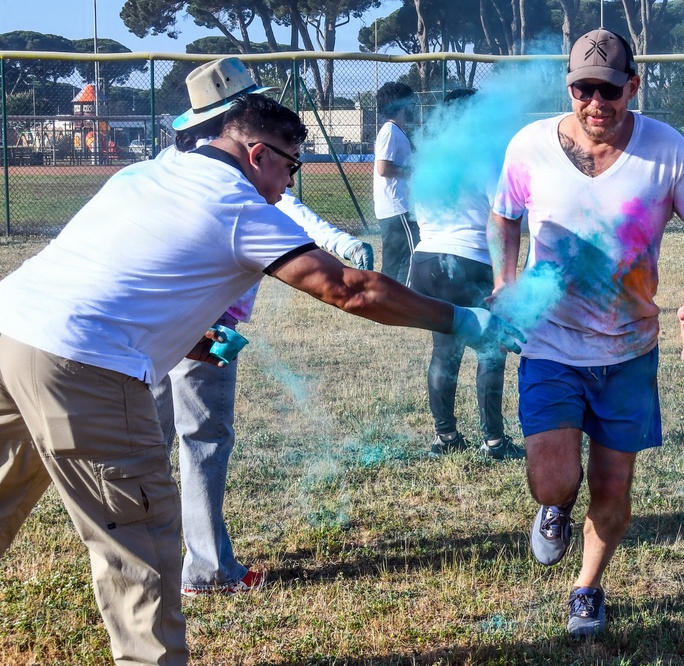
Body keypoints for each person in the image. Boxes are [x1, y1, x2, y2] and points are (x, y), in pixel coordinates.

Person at [0, 92, 523, 666]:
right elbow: (350, 289)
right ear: (257, 154)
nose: (288, 184)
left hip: (10, 333)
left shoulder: (145, 173)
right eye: (290, 166)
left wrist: (193, 338)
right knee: (140, 549)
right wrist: (466, 320)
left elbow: (113, 271)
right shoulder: (238, 204)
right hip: (83, 369)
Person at [488, 28, 684, 637]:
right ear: (569, 87)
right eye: (583, 89)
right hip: (550, 343)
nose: (596, 103)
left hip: (629, 349)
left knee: (613, 483)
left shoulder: (667, 149)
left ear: (633, 84)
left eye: (609, 89)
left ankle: (587, 589)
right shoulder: (529, 146)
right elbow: (504, 216)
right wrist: (506, 282)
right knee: (553, 479)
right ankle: (554, 509)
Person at [151, 57, 375, 598]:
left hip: (152, 324)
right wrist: (341, 247)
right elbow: (296, 218)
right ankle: (207, 569)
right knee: (204, 437)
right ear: (235, 121)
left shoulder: (168, 165)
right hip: (207, 327)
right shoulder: (239, 178)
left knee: (150, 439)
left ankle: (151, 556)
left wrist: (337, 241)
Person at [409, 89, 524, 460]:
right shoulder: (484, 157)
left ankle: (446, 437)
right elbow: (502, 215)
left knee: (444, 351)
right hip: (468, 261)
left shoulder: (428, 159)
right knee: (491, 350)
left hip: (426, 262)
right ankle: (493, 441)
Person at [373, 81, 420, 284]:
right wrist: (413, 172)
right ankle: (404, 303)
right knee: (412, 256)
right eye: (411, 102)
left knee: (392, 265)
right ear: (401, 104)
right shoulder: (390, 131)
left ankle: (384, 306)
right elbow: (383, 168)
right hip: (398, 207)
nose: (413, 107)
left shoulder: (394, 131)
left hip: (393, 209)